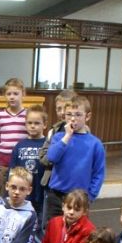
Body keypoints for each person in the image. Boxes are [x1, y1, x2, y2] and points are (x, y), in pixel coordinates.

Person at [43, 95, 105, 225]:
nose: (73, 118)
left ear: (87, 117)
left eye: (78, 115)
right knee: (51, 231)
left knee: (78, 234)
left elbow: (98, 173)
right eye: (69, 114)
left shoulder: (95, 143)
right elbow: (51, 157)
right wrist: (66, 137)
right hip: (56, 195)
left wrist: (90, 196)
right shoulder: (59, 137)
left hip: (79, 198)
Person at [8, 104, 48, 220]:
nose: (32, 126)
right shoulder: (20, 145)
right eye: (29, 123)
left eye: (36, 123)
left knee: (39, 223)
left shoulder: (48, 144)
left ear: (44, 125)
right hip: (22, 193)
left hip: (40, 192)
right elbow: (12, 170)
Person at [0, 78, 28, 194]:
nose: (12, 97)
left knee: (21, 192)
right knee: (4, 193)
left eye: (16, 94)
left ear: (23, 94)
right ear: (4, 96)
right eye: (9, 94)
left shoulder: (28, 115)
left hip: (23, 161)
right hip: (3, 163)